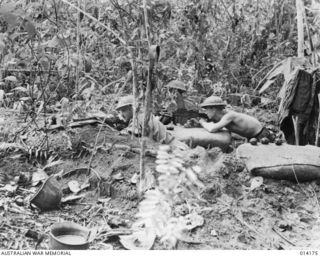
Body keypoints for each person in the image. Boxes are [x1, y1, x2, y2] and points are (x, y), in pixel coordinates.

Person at [198, 95, 274, 141]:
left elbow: (212, 129)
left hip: (262, 135)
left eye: (206, 109)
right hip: (253, 137)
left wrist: (202, 122)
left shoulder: (229, 115)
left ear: (214, 109)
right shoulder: (222, 117)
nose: (205, 112)